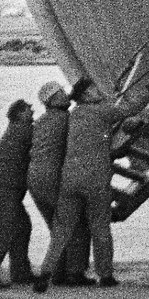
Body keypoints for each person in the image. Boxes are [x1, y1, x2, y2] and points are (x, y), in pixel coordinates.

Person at [32, 72, 149, 292]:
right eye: (94, 89)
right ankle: (106, 275)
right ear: (87, 94)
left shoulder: (74, 115)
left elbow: (98, 132)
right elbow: (128, 108)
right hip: (95, 179)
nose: (99, 91)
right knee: (100, 227)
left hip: (70, 179)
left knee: (62, 229)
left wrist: (125, 126)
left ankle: (45, 273)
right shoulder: (100, 111)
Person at [28, 81, 92, 285]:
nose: (67, 94)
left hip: (35, 179)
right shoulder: (67, 119)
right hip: (53, 178)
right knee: (78, 224)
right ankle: (75, 273)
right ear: (54, 99)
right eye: (62, 93)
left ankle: (58, 273)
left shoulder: (41, 121)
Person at [0, 100, 34, 289]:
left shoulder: (14, 130)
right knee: (6, 233)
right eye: (28, 109)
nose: (32, 111)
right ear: (19, 114)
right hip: (3, 190)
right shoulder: (22, 131)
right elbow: (46, 136)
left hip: (3, 189)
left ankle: (20, 272)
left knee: (23, 226)